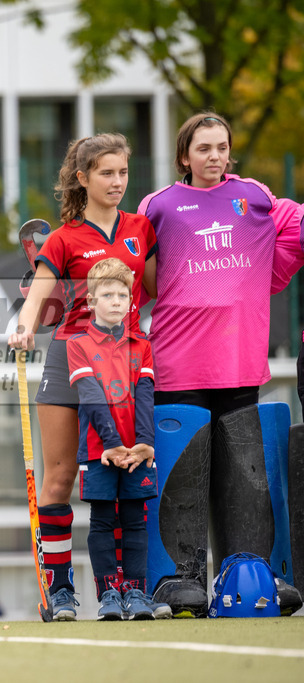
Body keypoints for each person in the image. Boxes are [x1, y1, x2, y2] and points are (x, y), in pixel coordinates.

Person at [137, 112, 304, 614]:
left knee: (243, 477)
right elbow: (133, 270)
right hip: (176, 364)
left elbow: (295, 230)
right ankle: (178, 581)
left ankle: (252, 576)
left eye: (222, 147)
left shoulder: (255, 196)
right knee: (184, 476)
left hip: (239, 362)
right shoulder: (158, 205)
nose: (214, 156)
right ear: (184, 155)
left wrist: (268, 269)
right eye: (204, 148)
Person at [8, 133, 157, 621]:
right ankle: (60, 592)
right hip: (69, 356)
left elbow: (155, 288)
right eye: (106, 173)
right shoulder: (63, 238)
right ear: (82, 178)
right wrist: (25, 327)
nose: (117, 182)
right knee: (59, 478)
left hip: (125, 362)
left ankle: (122, 591)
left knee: (124, 471)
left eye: (123, 173)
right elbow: (39, 296)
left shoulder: (140, 228)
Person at [66, 259, 163, 620]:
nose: (117, 301)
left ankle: (136, 593)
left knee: (136, 520)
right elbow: (90, 395)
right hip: (99, 451)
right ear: (91, 301)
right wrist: (110, 442)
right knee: (103, 521)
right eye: (107, 295)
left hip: (136, 451)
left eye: (123, 295)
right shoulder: (77, 344)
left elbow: (146, 395)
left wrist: (145, 442)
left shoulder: (142, 345)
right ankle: (108, 593)